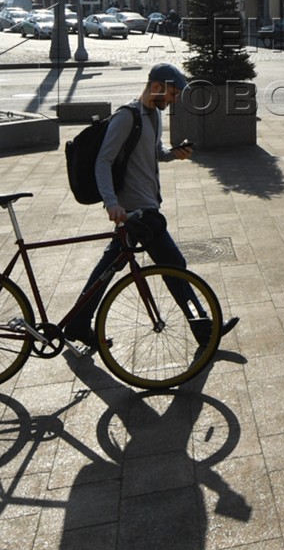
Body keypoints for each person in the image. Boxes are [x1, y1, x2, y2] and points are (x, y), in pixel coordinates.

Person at [56, 62, 237, 348]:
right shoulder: (126, 117)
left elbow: (154, 152)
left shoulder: (153, 116)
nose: (175, 100)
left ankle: (78, 323)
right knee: (174, 265)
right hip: (136, 213)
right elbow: (103, 161)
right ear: (156, 87)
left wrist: (173, 154)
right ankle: (203, 328)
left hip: (144, 207)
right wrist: (111, 203)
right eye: (173, 93)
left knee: (109, 266)